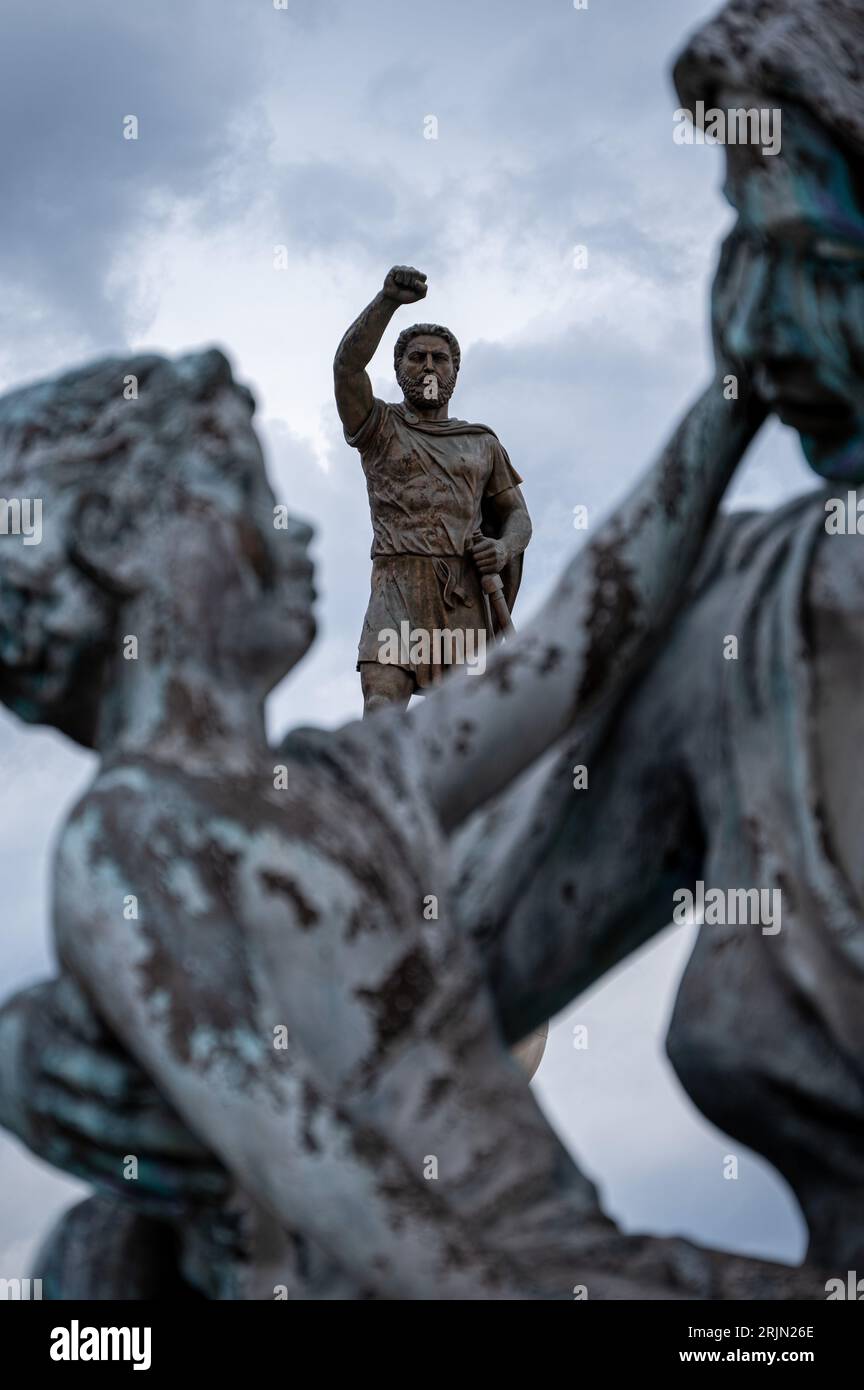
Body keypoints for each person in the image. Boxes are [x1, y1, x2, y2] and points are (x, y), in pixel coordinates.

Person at [0, 335, 814, 1298]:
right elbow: (304, 1157)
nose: (296, 531)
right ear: (110, 535)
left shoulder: (346, 774)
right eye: (246, 491)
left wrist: (737, 388)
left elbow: (583, 631)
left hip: (584, 1267)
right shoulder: (133, 838)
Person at [333, 266, 531, 713]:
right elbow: (347, 367)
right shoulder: (379, 426)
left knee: (466, 728)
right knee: (381, 709)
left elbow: (517, 515)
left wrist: (501, 550)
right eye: (416, 357)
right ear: (398, 368)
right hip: (395, 589)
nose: (427, 365)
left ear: (454, 371)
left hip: (460, 596)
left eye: (438, 358)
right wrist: (386, 302)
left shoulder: (482, 443)